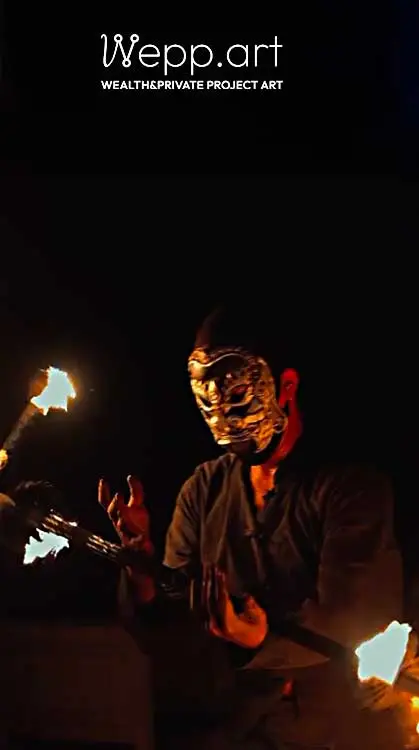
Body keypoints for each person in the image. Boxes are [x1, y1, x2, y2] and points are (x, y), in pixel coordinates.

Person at [99, 306, 406, 749]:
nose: (223, 414)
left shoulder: (349, 489)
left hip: (333, 735)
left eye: (238, 392)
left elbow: (355, 619)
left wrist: (261, 639)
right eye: (207, 398)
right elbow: (167, 625)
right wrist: (141, 568)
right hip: (231, 734)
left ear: (286, 385)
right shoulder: (204, 490)